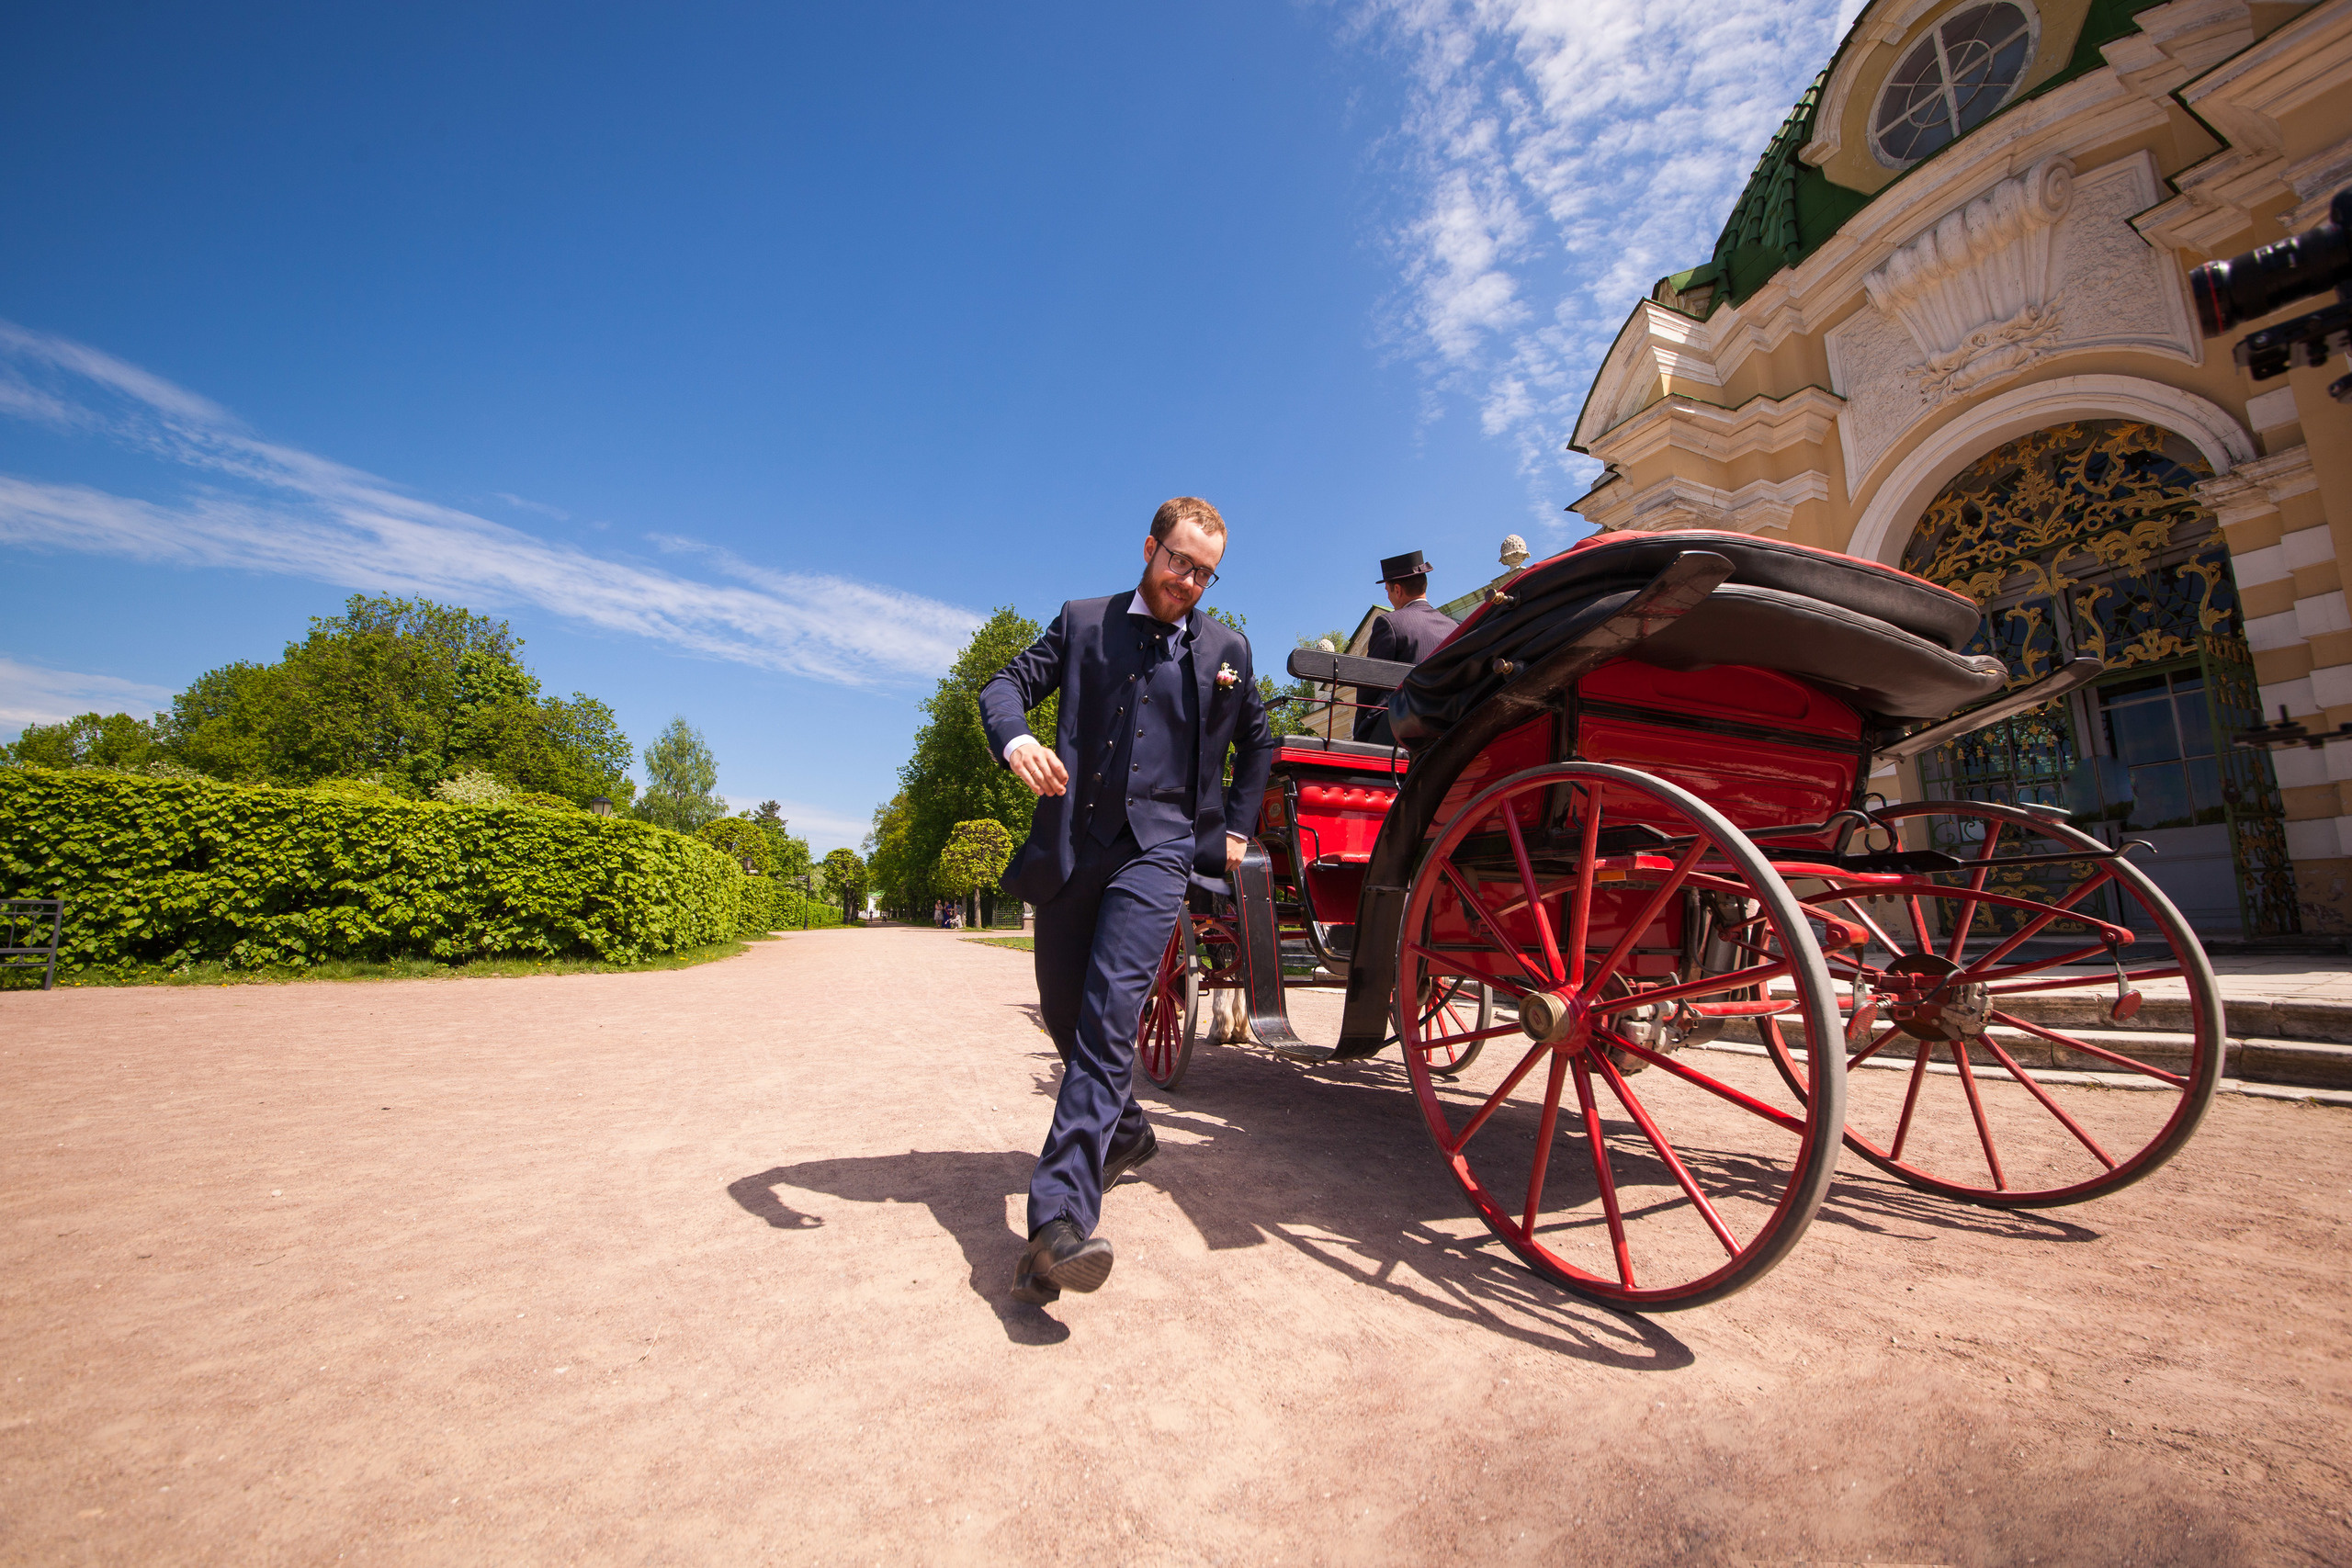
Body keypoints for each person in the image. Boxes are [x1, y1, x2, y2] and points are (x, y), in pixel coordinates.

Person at [978, 495, 1275, 1304]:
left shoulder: (1228, 649)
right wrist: (1019, 739)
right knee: (1067, 1015)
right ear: (1149, 547)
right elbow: (1006, 686)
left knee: (1111, 1018)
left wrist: (1238, 826)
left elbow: (1260, 741)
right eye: (1180, 560)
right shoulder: (1081, 621)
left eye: (1205, 572)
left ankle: (1057, 1225)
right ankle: (1129, 1132)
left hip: (1162, 852)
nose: (1189, 580)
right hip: (1076, 848)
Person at [1351, 550, 1459, 744]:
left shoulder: (1389, 623)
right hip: (1449, 727)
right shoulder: (1453, 627)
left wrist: (1360, 734)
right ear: (1424, 585)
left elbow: (1370, 687)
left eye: (1388, 591)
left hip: (1401, 730)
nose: (1389, 598)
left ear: (1398, 590)